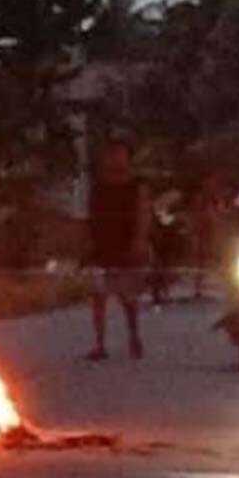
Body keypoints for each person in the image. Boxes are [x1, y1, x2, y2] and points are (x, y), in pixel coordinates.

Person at [86, 140, 151, 361]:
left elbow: (143, 214)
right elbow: (91, 215)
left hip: (127, 246)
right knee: (97, 295)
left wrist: (139, 242)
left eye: (119, 154)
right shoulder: (98, 186)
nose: (114, 158)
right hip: (101, 246)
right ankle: (99, 343)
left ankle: (134, 336)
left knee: (127, 297)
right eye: (110, 154)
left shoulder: (137, 185)